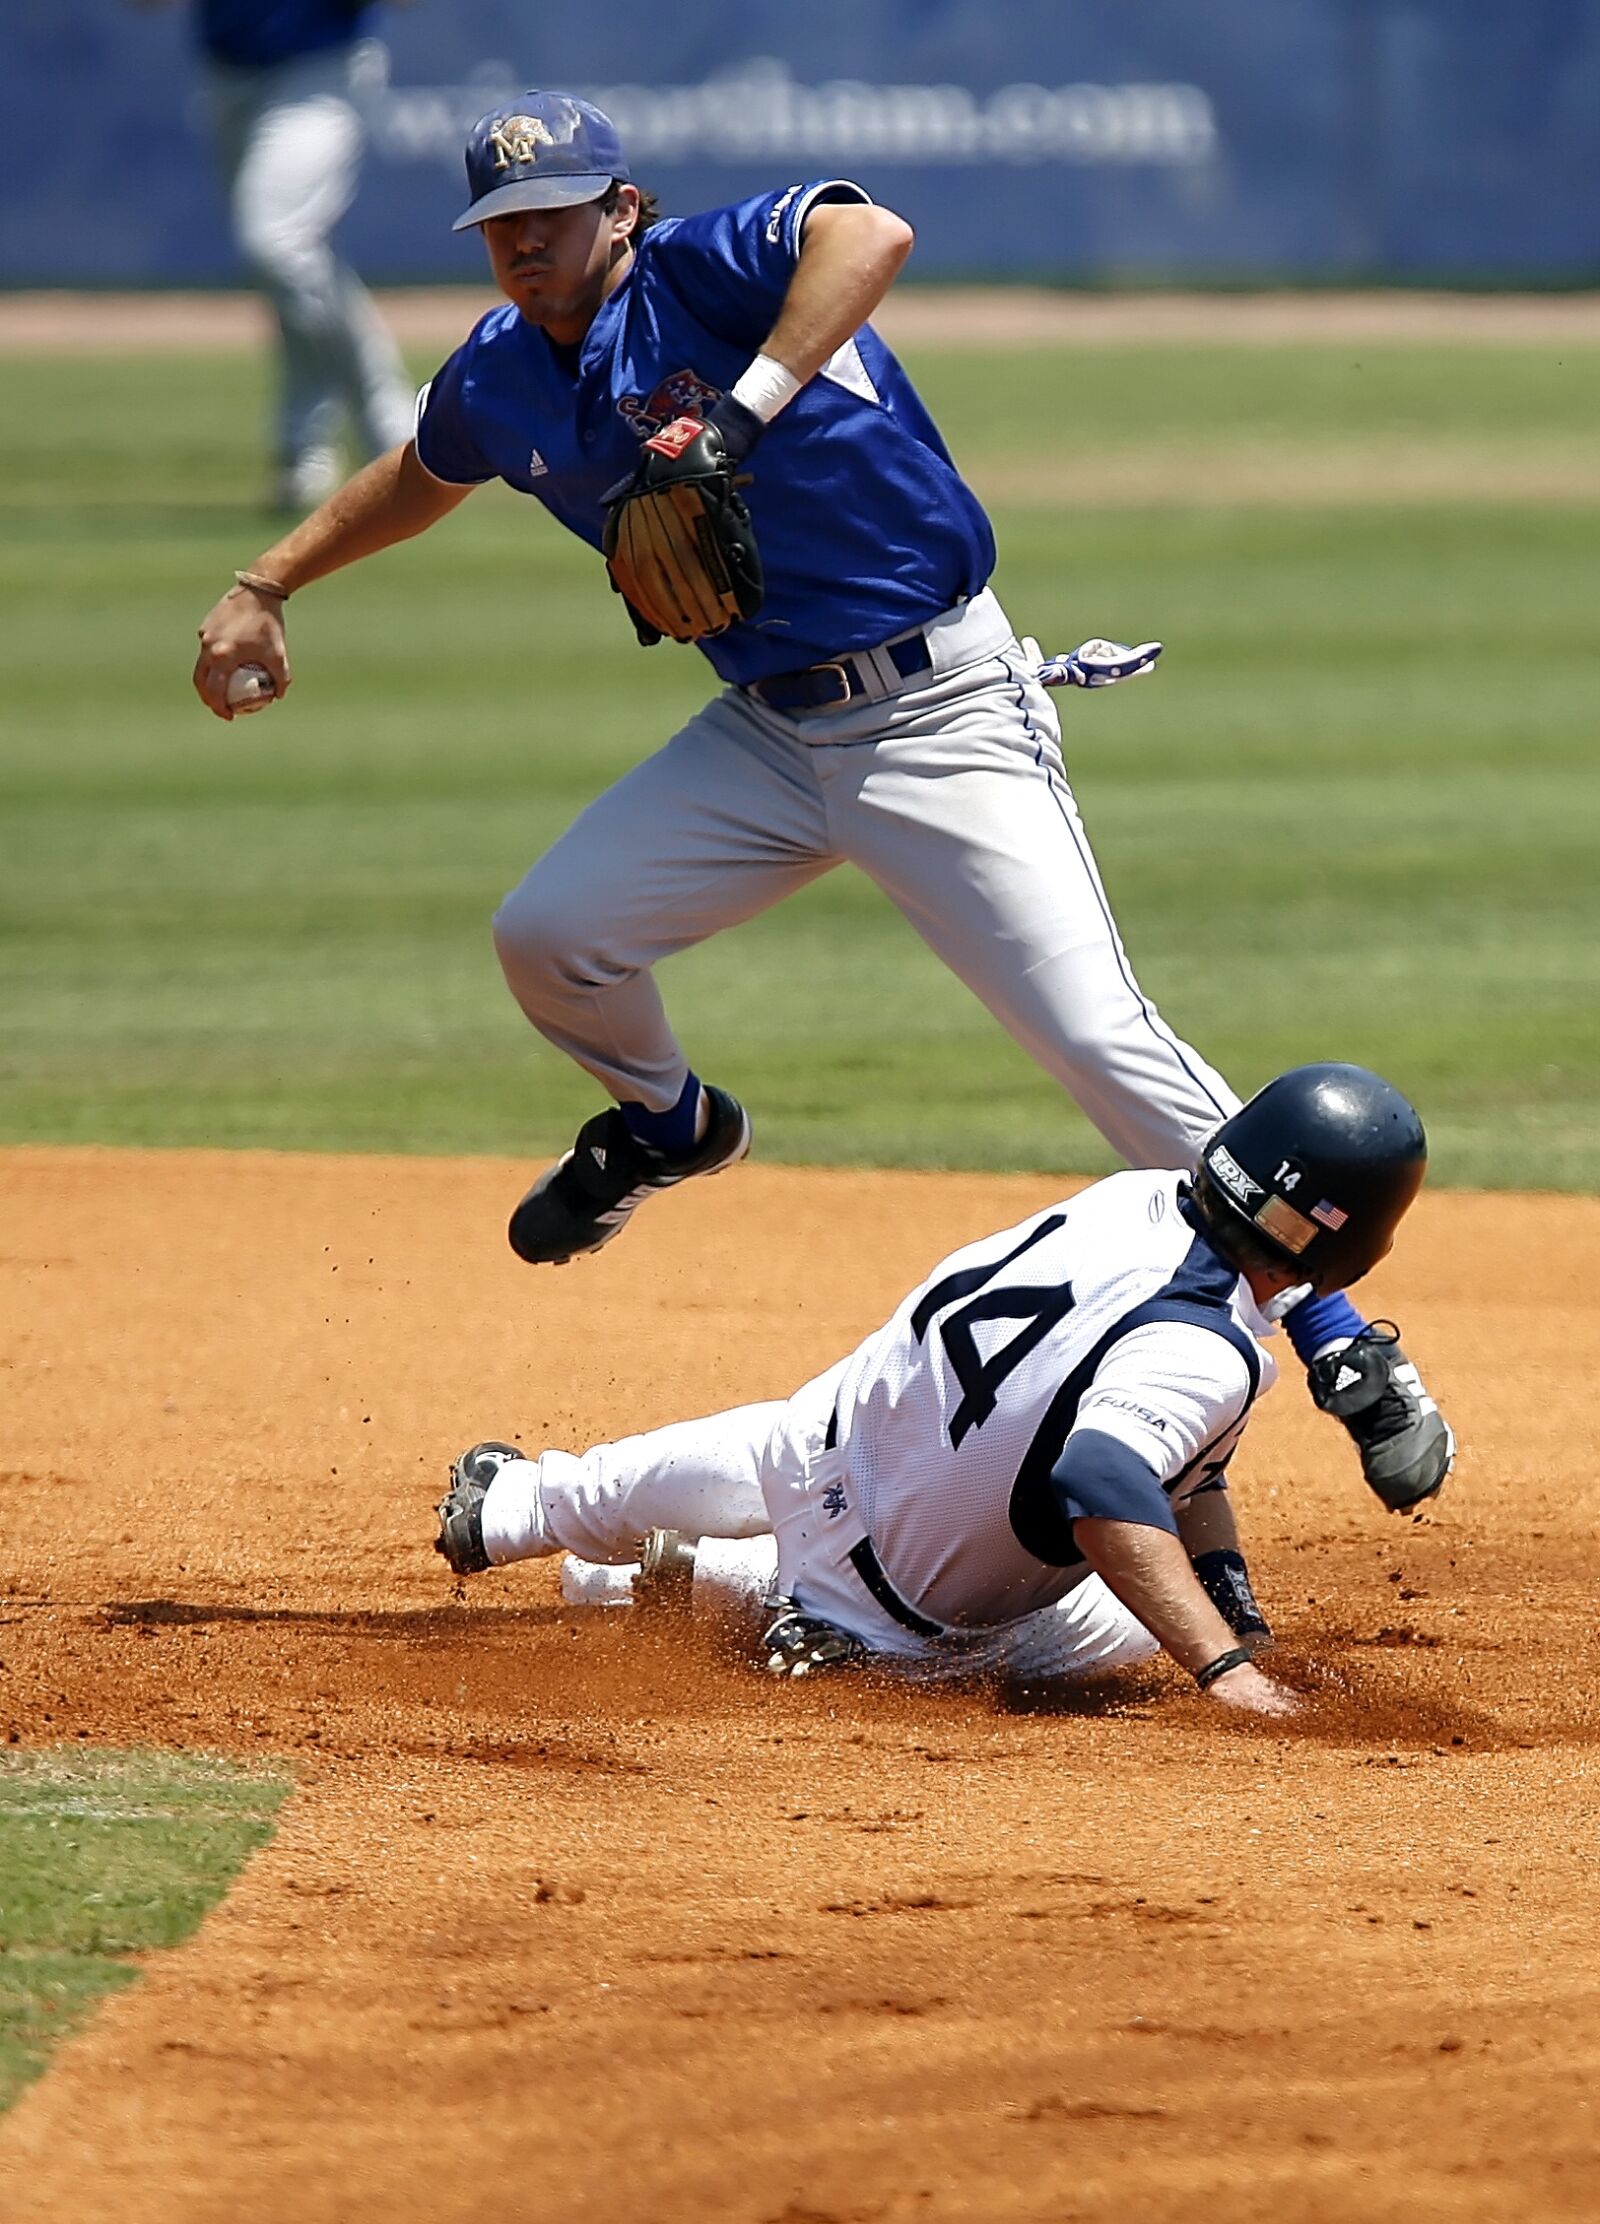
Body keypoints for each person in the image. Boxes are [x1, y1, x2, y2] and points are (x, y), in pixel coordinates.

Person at [191, 90, 1452, 1512]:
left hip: (942, 714)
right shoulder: (502, 369)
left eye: (553, 216)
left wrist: (736, 414)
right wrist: (266, 585)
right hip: (768, 737)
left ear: (622, 208)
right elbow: (423, 475)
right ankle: (667, 1125)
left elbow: (872, 233)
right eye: (499, 227)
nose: (524, 245)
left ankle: (1348, 1344)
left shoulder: (703, 271)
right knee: (550, 937)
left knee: (1101, 1039)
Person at [434, 1064, 1436, 1720]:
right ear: (1349, 1244)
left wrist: (1241, 1614)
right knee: (1136, 1617)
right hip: (895, 1606)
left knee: (796, 1447)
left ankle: (523, 1506)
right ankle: (748, 1598)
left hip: (810, 1440)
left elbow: (1164, 1456)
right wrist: (1230, 1668)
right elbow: (1102, 1475)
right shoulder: (1209, 1349)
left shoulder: (1130, 1197)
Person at [133, 0, 415, 508]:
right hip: (227, 74)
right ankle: (303, 445)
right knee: (298, 267)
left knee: (279, 241)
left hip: (321, 67)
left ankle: (391, 424)